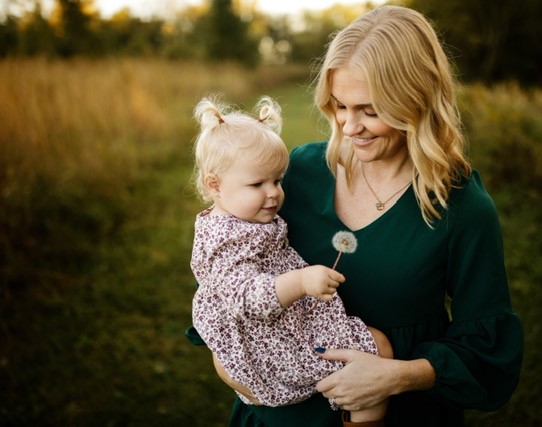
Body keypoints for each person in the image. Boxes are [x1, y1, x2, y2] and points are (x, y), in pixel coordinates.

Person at [197, 4, 524, 427]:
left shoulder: (461, 209)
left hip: (402, 414)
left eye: (370, 110)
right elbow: (225, 266)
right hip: (276, 415)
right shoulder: (299, 174)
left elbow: (487, 349)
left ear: (417, 101)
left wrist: (397, 377)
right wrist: (235, 372)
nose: (350, 127)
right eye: (339, 106)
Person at [188, 94, 393, 425]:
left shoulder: (242, 218)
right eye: (257, 183)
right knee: (377, 349)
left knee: (375, 351)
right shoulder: (226, 238)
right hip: (272, 343)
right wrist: (300, 281)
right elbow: (245, 297)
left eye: (277, 180)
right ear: (215, 185)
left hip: (285, 327)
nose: (273, 193)